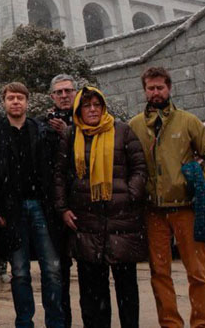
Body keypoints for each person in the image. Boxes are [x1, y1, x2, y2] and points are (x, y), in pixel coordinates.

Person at [128, 66, 205, 328]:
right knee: (159, 273)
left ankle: (202, 323)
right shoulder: (135, 125)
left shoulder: (188, 121)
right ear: (144, 90)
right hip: (153, 211)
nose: (155, 92)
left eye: (160, 87)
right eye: (151, 88)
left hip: (187, 208)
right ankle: (170, 323)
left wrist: (195, 177)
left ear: (169, 88)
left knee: (197, 273)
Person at [54, 86, 146, 328]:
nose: (92, 109)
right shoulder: (71, 135)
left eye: (97, 104)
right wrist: (63, 208)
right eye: (87, 105)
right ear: (79, 110)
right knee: (93, 294)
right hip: (86, 222)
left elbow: (139, 167)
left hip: (121, 221)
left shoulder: (122, 131)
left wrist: (130, 195)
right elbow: (60, 175)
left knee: (127, 289)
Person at [0, 82, 64, 328]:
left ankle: (55, 322)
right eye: (11, 97)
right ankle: (24, 322)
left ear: (27, 102)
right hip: (12, 209)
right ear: (4, 102)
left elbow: (55, 170)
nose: (16, 102)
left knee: (51, 269)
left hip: (41, 206)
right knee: (19, 272)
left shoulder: (40, 130)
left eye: (20, 97)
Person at [43, 74, 78, 326]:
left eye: (68, 91)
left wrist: (68, 132)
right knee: (58, 271)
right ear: (52, 97)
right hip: (57, 206)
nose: (64, 96)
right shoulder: (44, 125)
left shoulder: (88, 118)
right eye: (59, 92)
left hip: (85, 204)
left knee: (91, 270)